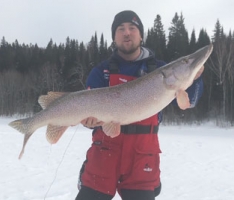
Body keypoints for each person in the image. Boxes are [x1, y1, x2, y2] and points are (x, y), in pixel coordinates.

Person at [75, 10, 204, 200]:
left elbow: (190, 101)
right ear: (114, 37)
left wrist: (195, 76)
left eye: (132, 28)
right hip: (104, 154)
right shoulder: (100, 71)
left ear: (141, 34)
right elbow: (88, 113)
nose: (127, 32)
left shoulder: (161, 69)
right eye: (121, 29)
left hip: (142, 157)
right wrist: (88, 122)